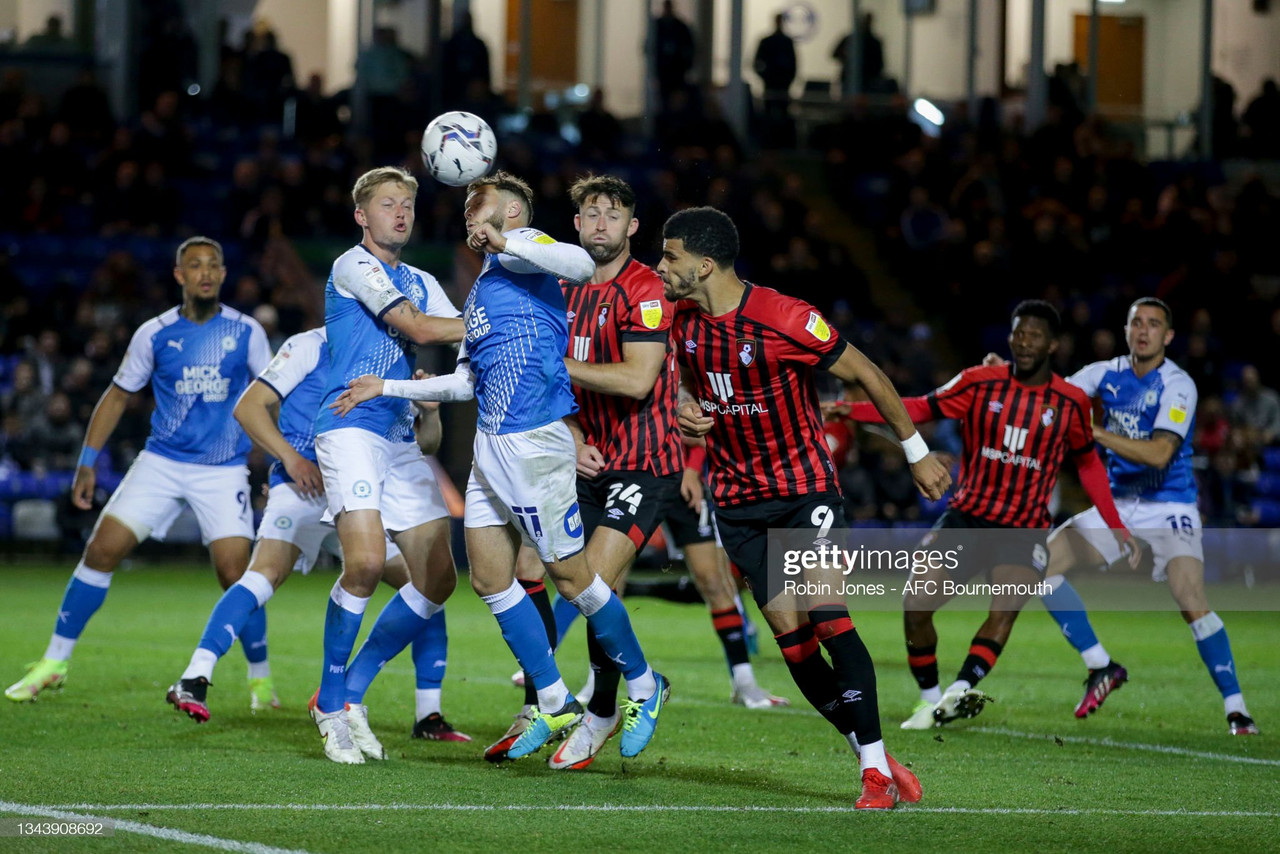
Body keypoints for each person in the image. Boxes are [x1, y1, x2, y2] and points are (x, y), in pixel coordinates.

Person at [332, 171, 670, 764]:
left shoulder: (530, 252)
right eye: (467, 211)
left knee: (572, 579)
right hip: (491, 448)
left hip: (534, 444)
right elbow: (466, 380)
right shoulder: (489, 282)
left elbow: (580, 263)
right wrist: (385, 386)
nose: (470, 219)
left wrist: (506, 239)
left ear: (513, 214)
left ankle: (642, 683)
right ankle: (556, 696)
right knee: (490, 578)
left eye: (480, 207)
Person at [660, 206, 949, 810]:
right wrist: (687, 411)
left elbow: (866, 373)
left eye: (671, 257)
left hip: (803, 492)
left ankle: (872, 774)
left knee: (829, 617)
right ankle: (871, 751)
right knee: (793, 642)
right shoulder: (682, 322)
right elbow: (686, 385)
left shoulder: (786, 317)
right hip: (738, 503)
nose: (662, 267)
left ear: (704, 265)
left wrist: (917, 451)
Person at [505, 175, 787, 771]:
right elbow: (544, 383)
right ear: (575, 224)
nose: (601, 223)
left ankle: (604, 708)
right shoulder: (558, 288)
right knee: (533, 569)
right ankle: (544, 706)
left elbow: (635, 380)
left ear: (632, 227)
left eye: (614, 214)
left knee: (593, 581)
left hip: (647, 461)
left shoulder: (648, 289)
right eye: (590, 213)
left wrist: (560, 362)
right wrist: (575, 434)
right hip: (582, 455)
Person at [834, 301, 1139, 730]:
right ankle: (930, 700)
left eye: (1034, 335)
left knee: (1003, 610)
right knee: (916, 603)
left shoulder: (1070, 403)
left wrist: (1115, 524)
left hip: (1024, 528)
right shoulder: (980, 383)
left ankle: (958, 692)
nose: (1024, 342)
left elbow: (1088, 465)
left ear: (1053, 344)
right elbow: (920, 408)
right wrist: (852, 410)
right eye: (1018, 333)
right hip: (968, 519)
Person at [165, 327, 468, 742]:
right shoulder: (310, 344)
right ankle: (196, 675)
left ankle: (428, 716)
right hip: (305, 485)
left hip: (361, 493)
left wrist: (429, 411)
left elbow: (424, 445)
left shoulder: (392, 356)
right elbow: (250, 406)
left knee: (429, 585)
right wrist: (291, 460)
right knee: (263, 575)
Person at [6, 237, 271, 704]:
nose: (205, 272)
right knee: (100, 551)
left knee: (237, 575)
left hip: (222, 468)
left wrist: (277, 461)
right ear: (179, 276)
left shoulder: (247, 331)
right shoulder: (155, 333)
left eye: (213, 265)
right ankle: (54, 661)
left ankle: (260, 677)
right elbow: (117, 395)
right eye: (195, 265)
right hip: (162, 462)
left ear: (224, 274)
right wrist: (87, 462)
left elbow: (271, 394)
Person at [307, 166, 466, 764]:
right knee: (369, 562)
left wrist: (424, 387)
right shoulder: (353, 265)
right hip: (348, 425)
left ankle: (346, 696)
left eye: (407, 204)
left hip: (399, 435)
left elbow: (461, 347)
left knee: (438, 579)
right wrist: (503, 321)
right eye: (387, 204)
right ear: (361, 216)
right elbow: (423, 328)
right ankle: (331, 698)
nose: (400, 213)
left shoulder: (423, 278)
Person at [1043, 298, 1259, 736]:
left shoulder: (1178, 385)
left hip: (1170, 505)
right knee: (1040, 564)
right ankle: (1101, 665)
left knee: (1189, 598)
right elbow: (1049, 398)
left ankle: (1237, 709)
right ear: (1126, 330)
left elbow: (1161, 453)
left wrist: (1095, 430)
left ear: (1168, 336)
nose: (1144, 331)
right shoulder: (1103, 373)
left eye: (1154, 324)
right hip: (1118, 503)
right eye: (1137, 323)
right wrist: (1004, 376)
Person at [753, 12, 797, 144]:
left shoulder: (786, 42)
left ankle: (783, 142)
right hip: (771, 84)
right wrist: (765, 77)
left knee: (782, 114)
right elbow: (757, 63)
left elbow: (793, 65)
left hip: (781, 84)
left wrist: (788, 79)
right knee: (769, 115)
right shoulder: (769, 42)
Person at [652, 0, 696, 112]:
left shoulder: (680, 28)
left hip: (677, 74)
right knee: (664, 103)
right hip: (663, 74)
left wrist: (686, 67)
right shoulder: (657, 27)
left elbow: (689, 49)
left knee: (677, 103)